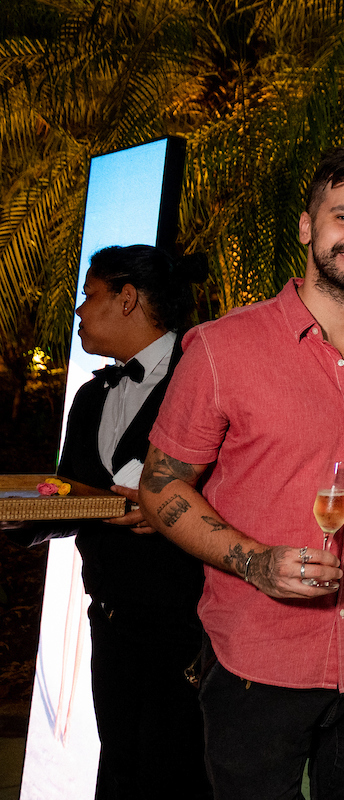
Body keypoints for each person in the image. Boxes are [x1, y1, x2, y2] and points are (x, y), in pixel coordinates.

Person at [138, 148, 344, 799]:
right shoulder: (221, 348)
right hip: (256, 664)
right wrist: (252, 560)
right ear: (307, 226)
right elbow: (159, 486)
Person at [47, 244, 209, 800]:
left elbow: (246, 489)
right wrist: (25, 519)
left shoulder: (205, 378)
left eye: (89, 297)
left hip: (188, 630)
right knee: (120, 772)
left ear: (128, 298)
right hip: (110, 624)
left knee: (182, 776)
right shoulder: (91, 397)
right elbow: (76, 498)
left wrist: (172, 513)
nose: (80, 311)